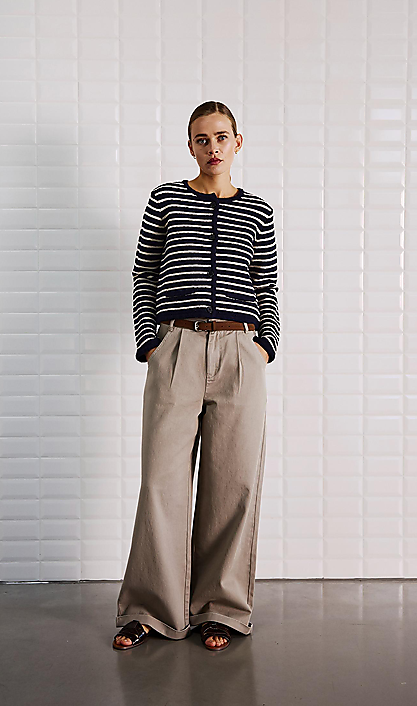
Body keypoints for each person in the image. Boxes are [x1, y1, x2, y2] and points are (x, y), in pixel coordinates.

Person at [113, 101, 280, 652]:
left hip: (239, 352)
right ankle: (150, 609)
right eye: (202, 139)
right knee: (161, 482)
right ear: (190, 146)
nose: (212, 148)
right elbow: (144, 272)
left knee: (233, 485)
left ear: (237, 142)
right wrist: (150, 341)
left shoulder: (259, 210)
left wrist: (263, 345)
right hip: (177, 347)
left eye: (221, 137)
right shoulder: (164, 200)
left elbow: (267, 286)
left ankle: (221, 609)